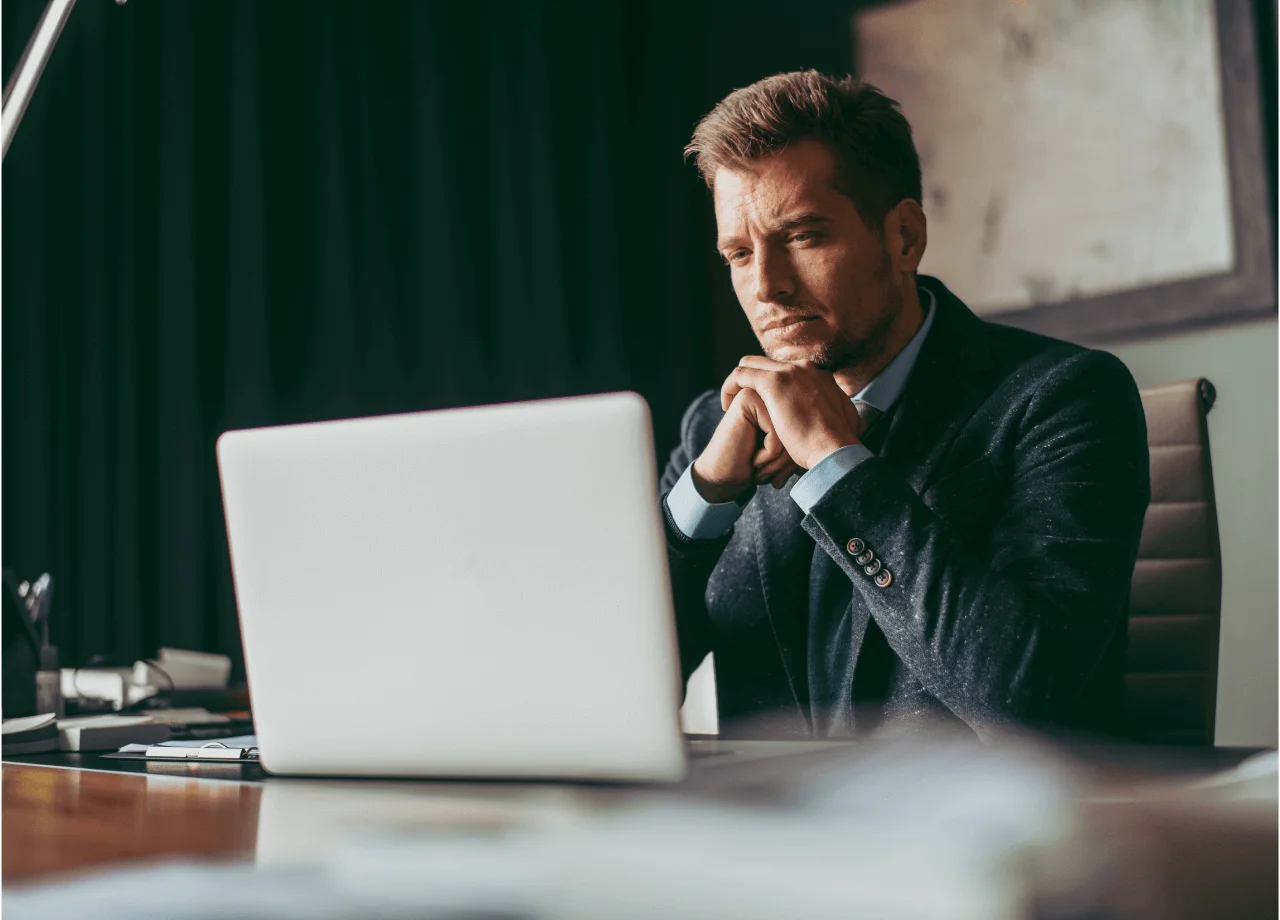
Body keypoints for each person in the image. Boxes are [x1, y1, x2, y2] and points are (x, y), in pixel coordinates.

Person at [662, 71, 1150, 740]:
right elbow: (601, 689)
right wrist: (705, 497)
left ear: (904, 238)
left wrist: (838, 467)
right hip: (771, 832)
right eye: (740, 254)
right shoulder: (712, 430)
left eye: (804, 237)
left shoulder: (1066, 398)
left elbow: (1022, 696)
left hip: (981, 836)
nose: (767, 287)